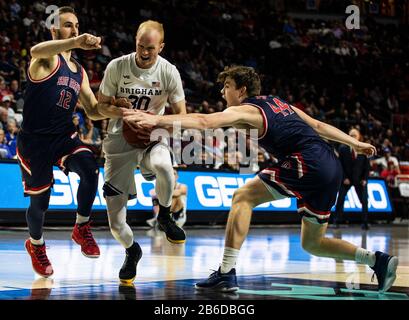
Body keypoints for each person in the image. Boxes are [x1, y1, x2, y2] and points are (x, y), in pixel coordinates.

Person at [123, 65, 399, 293]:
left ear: (241, 90)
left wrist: (155, 121)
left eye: (227, 86)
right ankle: (377, 260)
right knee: (312, 243)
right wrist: (354, 142)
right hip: (330, 166)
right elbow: (316, 125)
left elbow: (205, 122)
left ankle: (226, 272)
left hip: (309, 162)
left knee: (242, 197)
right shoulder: (278, 102)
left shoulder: (246, 110)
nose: (222, 91)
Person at [17, 6, 125, 278]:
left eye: (76, 26)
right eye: (67, 25)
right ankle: (36, 244)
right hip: (35, 142)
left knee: (90, 170)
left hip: (64, 136)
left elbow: (92, 109)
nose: (75, 30)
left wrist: (120, 110)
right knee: (40, 204)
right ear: (54, 29)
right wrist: (76, 42)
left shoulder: (80, 71)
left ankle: (82, 226)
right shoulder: (44, 60)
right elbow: (35, 50)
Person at [97, 20, 187, 284]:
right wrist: (119, 107)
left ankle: (166, 216)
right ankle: (132, 250)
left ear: (161, 46)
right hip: (118, 140)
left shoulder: (169, 72)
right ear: (134, 41)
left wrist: (156, 122)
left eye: (151, 48)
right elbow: (101, 107)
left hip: (151, 137)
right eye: (140, 46)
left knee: (164, 166)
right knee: (116, 224)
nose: (145, 53)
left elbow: (181, 115)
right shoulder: (117, 66)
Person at [334, 128, 370, 230]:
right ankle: (336, 221)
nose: (352, 137)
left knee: (364, 200)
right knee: (340, 199)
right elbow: (339, 164)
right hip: (347, 179)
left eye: (354, 135)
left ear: (359, 137)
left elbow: (367, 167)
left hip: (359, 180)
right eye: (351, 135)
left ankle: (365, 222)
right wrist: (344, 177)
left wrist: (365, 179)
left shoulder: (364, 149)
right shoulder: (343, 148)